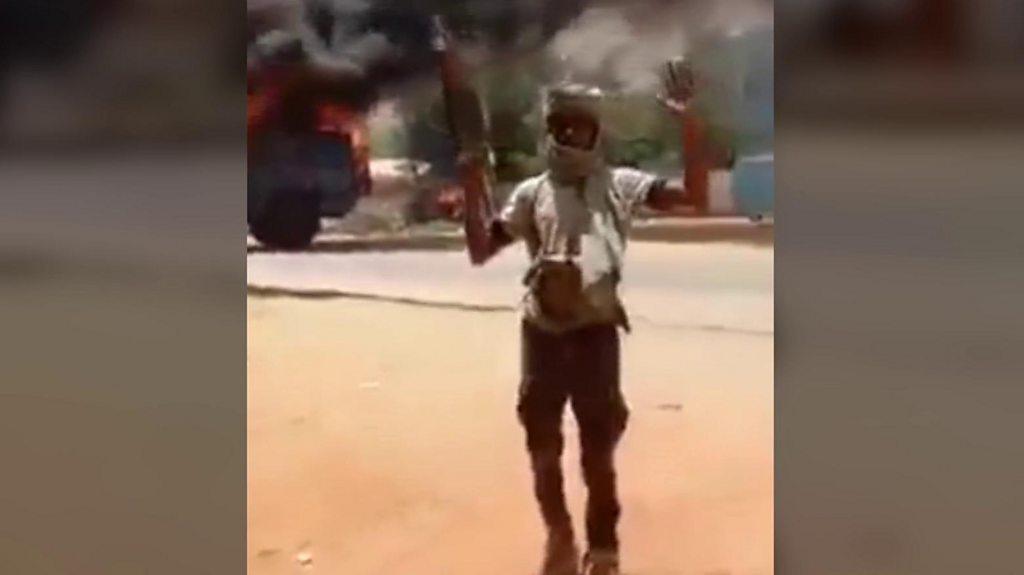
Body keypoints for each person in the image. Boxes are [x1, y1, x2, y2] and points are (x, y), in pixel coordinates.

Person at [462, 77, 696, 575]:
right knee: (543, 447)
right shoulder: (531, 194)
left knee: (598, 454)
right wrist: (470, 181)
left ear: (596, 134)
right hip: (542, 333)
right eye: (560, 127)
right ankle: (559, 535)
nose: (569, 137)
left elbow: (692, 194)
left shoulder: (619, 185)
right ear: (548, 133)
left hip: (595, 333)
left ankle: (604, 549)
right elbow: (481, 249)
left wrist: (686, 121)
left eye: (579, 128)